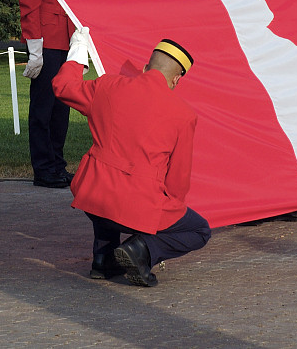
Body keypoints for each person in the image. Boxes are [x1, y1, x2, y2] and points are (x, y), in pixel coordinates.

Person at [52, 31, 211, 287]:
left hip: (92, 196)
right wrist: (162, 219)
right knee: (199, 230)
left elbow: (62, 87)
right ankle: (141, 249)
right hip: (136, 208)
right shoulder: (184, 115)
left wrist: (78, 53)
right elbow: (177, 183)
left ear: (146, 67)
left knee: (109, 185)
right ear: (177, 79)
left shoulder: (107, 86)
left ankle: (103, 260)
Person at [19, 0, 76, 188]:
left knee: (61, 109)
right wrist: (34, 45)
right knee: (43, 108)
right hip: (46, 40)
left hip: (66, 39)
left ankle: (57, 165)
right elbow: (29, 1)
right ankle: (43, 169)